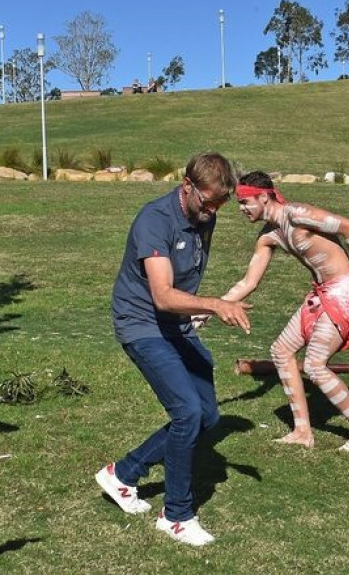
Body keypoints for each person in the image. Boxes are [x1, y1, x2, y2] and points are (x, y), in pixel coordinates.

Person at [95, 152, 251, 547]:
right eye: (209, 201)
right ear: (187, 187)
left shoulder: (205, 217)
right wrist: (215, 305)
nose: (214, 210)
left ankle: (123, 474)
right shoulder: (154, 221)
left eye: (221, 204)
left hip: (176, 324)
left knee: (208, 417)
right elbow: (163, 296)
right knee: (187, 413)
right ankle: (177, 515)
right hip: (141, 323)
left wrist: (195, 310)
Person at [220, 171, 349, 451]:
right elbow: (249, 282)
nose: (242, 209)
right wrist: (210, 309)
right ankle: (303, 431)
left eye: (246, 202)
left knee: (315, 365)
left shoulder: (298, 214)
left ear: (264, 197)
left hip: (344, 292)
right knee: (281, 351)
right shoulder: (269, 236)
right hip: (322, 294)